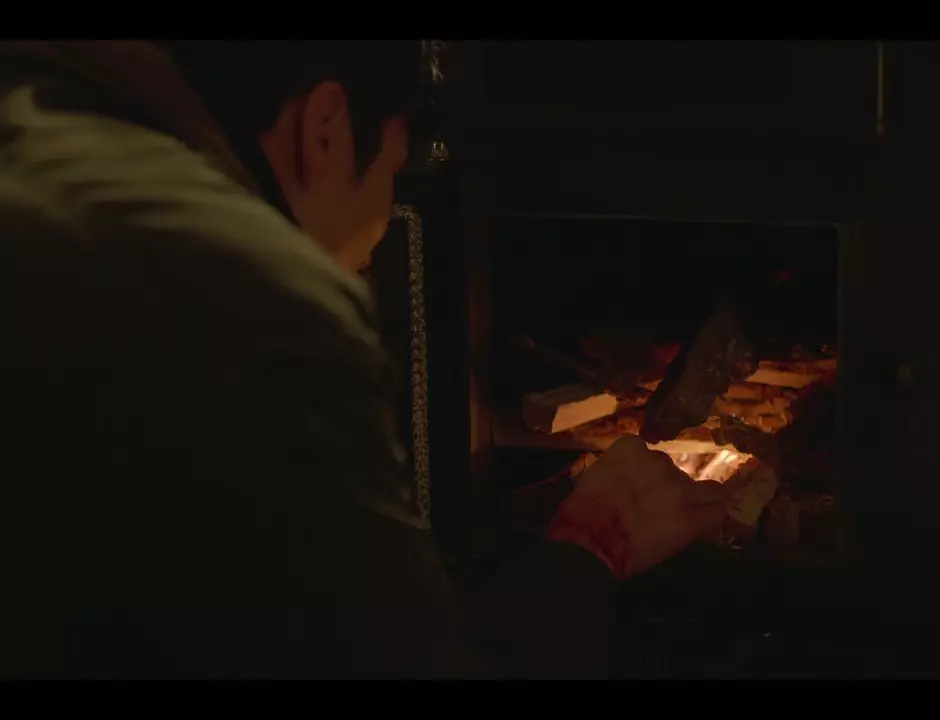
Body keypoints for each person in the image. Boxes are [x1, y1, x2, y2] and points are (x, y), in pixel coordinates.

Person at [0, 40, 728, 679]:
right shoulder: (238, 286)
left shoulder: (43, 126)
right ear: (324, 127)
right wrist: (588, 548)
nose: (379, 238)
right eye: (395, 168)